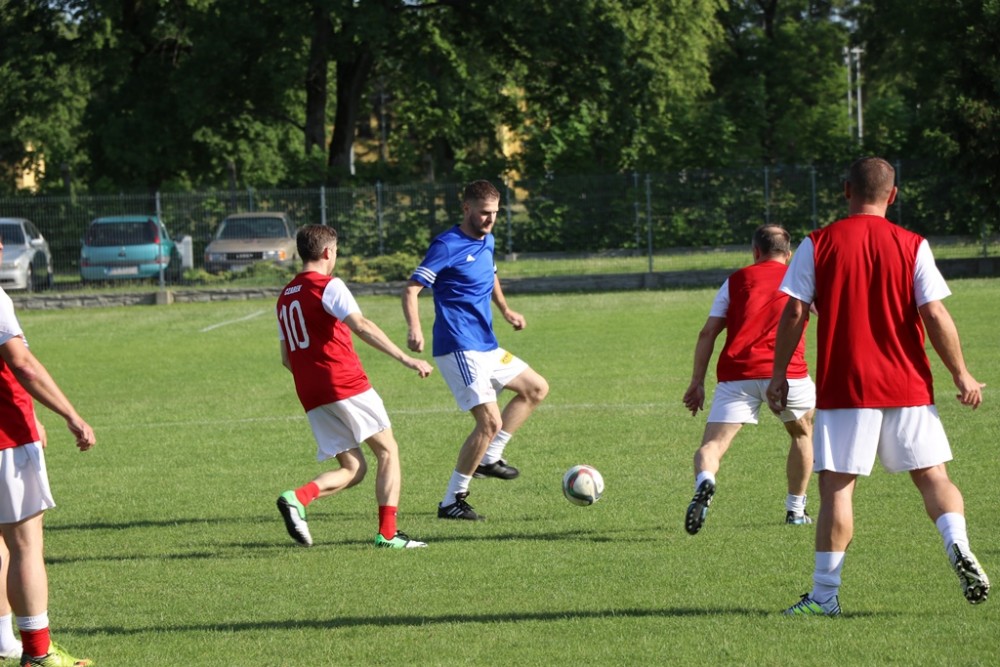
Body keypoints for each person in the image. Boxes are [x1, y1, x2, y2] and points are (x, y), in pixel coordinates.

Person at [766, 157, 990, 616]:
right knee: (933, 477)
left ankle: (824, 596)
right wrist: (961, 374)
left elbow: (794, 312)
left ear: (846, 190)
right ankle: (958, 544)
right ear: (894, 194)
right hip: (908, 383)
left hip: (847, 385)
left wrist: (779, 374)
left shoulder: (817, 242)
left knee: (837, 488)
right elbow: (934, 313)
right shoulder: (913, 244)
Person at [275, 224, 434, 549]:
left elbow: (286, 358)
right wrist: (407, 359)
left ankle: (297, 498)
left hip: (310, 391)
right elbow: (361, 326)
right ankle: (388, 534)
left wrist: (314, 377)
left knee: (354, 468)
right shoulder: (328, 285)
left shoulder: (285, 296)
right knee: (388, 450)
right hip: (344, 382)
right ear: (327, 252)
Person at [402, 180, 549, 521]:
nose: (490, 219)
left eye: (495, 213)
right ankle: (451, 501)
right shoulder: (447, 245)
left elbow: (490, 274)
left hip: (486, 345)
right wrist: (415, 328)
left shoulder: (488, 240)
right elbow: (411, 289)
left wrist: (506, 310)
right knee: (489, 422)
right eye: (484, 213)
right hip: (458, 346)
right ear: (466, 208)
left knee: (536, 388)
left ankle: (489, 457)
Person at [0, 234, 96, 666]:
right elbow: (21, 363)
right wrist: (70, 414)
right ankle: (38, 654)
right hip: (5, 437)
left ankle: (4, 640)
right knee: (25, 544)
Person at [683, 224, 815, 535]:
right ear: (789, 254)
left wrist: (697, 382)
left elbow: (707, 333)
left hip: (737, 375)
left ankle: (705, 481)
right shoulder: (800, 277)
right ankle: (796, 511)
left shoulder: (736, 280)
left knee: (712, 446)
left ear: (756, 252)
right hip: (789, 374)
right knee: (801, 435)